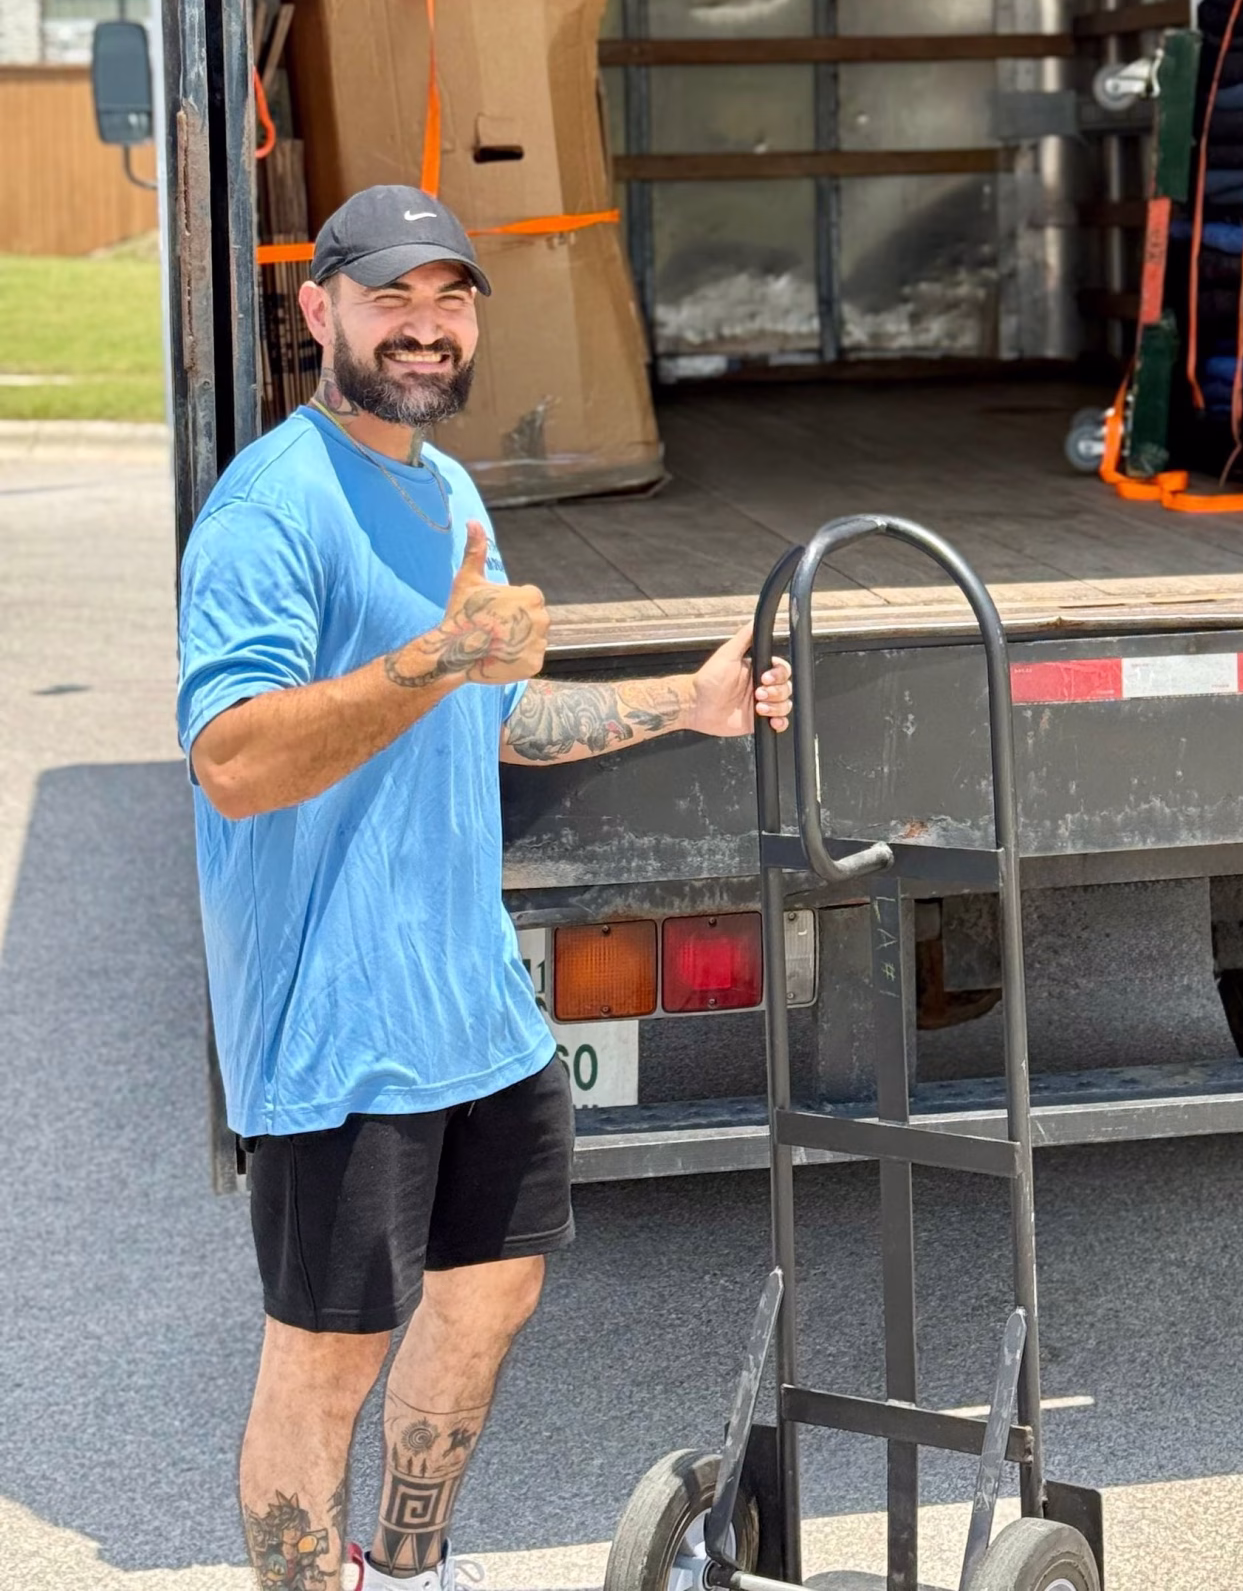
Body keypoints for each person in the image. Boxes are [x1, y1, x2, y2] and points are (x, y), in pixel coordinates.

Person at [176, 184, 793, 1591]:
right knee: (325, 1362)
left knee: (487, 1304)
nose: (426, 326)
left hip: (471, 1004)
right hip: (338, 1027)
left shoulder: (444, 490)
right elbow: (231, 762)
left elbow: (490, 715)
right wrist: (441, 659)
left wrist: (681, 702)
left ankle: (411, 1570)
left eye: (450, 299)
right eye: (391, 296)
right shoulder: (268, 510)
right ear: (318, 308)